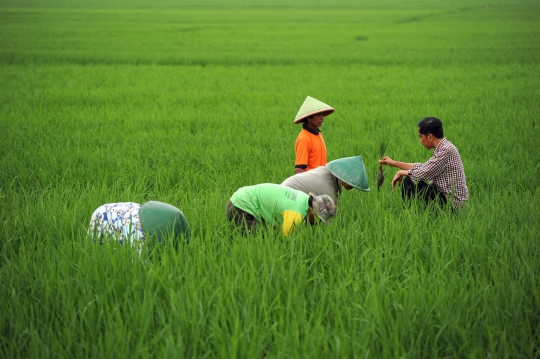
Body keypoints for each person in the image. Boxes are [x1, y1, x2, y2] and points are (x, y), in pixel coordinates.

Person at [378, 117, 468, 209]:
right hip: (444, 199)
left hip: (452, 205)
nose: (420, 141)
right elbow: (424, 167)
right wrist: (393, 163)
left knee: (409, 181)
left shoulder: (446, 150)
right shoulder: (444, 147)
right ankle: (414, 214)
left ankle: (408, 213)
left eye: (421, 137)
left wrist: (401, 172)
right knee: (411, 178)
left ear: (429, 137)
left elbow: (423, 173)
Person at [226, 183, 336, 236]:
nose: (316, 224)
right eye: (318, 220)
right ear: (313, 211)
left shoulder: (302, 198)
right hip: (241, 206)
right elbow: (284, 239)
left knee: (267, 233)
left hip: (243, 198)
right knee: (263, 239)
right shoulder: (296, 214)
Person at [88, 201, 190, 253]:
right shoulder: (138, 233)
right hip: (103, 215)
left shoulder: (154, 217)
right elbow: (138, 261)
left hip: (123, 215)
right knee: (96, 244)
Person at [281, 156, 370, 205]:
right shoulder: (329, 190)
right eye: (352, 182)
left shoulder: (324, 170)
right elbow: (331, 217)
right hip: (286, 198)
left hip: (283, 190)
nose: (352, 186)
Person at [293, 96, 334, 174]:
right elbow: (299, 169)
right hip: (313, 182)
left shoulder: (318, 134)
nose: (322, 118)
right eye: (318, 115)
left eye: (322, 114)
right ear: (308, 118)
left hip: (322, 178)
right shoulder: (304, 139)